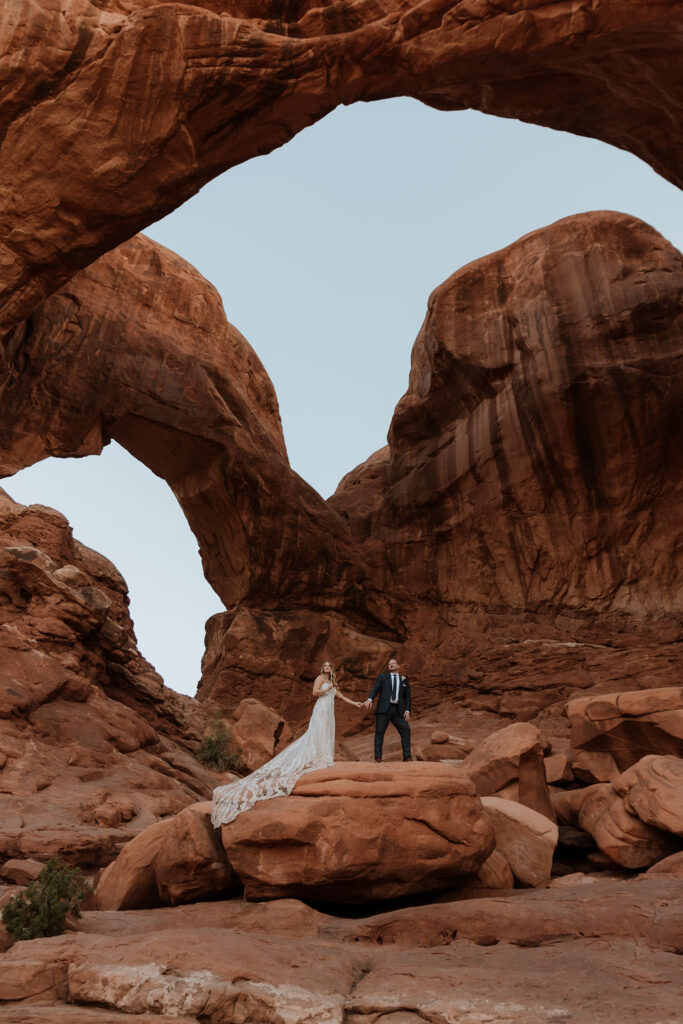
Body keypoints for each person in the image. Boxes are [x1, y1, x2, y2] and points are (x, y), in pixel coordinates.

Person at [211, 661, 361, 827]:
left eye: (329, 666)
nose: (327, 668)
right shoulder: (320, 678)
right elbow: (314, 693)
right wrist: (324, 690)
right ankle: (313, 756)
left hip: (329, 711)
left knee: (327, 731)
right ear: (322, 669)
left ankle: (323, 755)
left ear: (332, 669)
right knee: (316, 731)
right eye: (325, 666)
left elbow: (340, 696)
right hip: (320, 709)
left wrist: (355, 703)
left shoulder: (333, 682)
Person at [363, 658, 411, 762]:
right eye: (389, 664)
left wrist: (407, 710)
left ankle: (407, 757)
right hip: (384, 709)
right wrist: (370, 699)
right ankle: (378, 757)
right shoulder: (383, 677)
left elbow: (407, 697)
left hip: (398, 710)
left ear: (398, 666)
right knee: (380, 732)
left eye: (393, 663)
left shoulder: (404, 679)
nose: (391, 665)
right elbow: (375, 688)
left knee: (406, 729)